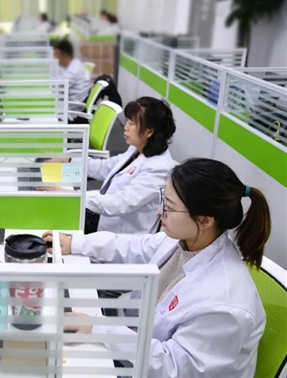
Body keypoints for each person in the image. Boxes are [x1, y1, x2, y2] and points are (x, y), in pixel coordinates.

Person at [43, 158, 270, 377]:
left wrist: (100, 328)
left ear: (204, 220)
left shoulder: (225, 305)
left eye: (169, 207)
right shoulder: (187, 241)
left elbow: (174, 368)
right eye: (164, 200)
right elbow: (136, 247)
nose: (160, 211)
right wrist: (75, 243)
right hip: (138, 343)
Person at [43, 97, 177, 235]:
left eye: (132, 124)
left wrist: (71, 195)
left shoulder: (158, 169)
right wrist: (67, 161)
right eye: (127, 121)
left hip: (121, 236)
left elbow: (118, 203)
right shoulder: (136, 149)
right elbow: (104, 167)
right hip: (104, 216)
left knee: (53, 218)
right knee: (53, 207)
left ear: (149, 131)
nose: (125, 127)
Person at [53, 39, 91, 121]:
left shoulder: (74, 69)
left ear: (63, 55)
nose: (56, 59)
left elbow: (56, 86)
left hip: (72, 112)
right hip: (67, 105)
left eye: (57, 56)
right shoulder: (72, 65)